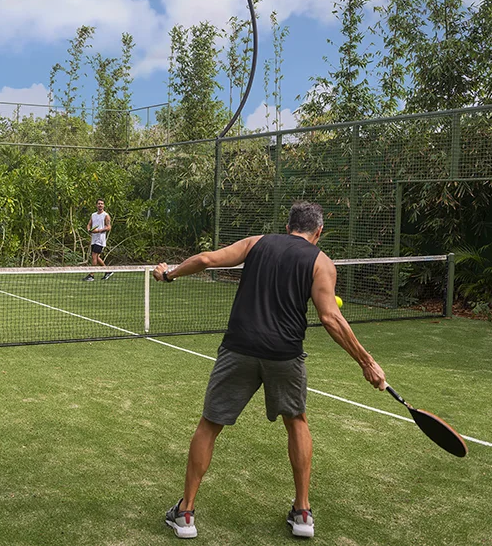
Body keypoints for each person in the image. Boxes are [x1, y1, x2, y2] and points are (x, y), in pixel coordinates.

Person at [153, 201, 386, 540]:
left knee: (210, 424)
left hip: (239, 348)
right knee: (297, 422)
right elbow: (330, 317)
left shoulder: (256, 242)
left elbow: (205, 259)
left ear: (289, 226)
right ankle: (302, 512)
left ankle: (185, 513)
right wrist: (367, 362)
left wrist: (169, 274)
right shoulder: (321, 262)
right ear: (319, 231)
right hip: (285, 355)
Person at [83, 199, 113, 281]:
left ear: (104, 205)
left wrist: (99, 230)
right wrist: (89, 230)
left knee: (94, 256)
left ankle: (91, 275)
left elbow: (109, 227)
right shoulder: (93, 215)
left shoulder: (106, 215)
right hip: (94, 239)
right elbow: (89, 224)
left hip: (100, 239)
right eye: (99, 203)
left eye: (102, 204)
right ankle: (108, 271)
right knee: (96, 257)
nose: (100, 205)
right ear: (96, 205)